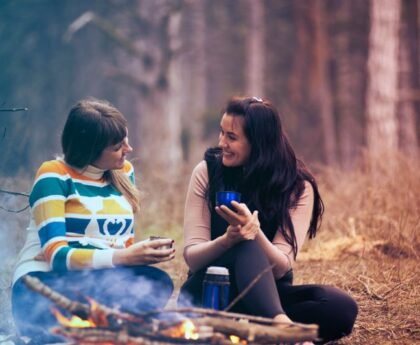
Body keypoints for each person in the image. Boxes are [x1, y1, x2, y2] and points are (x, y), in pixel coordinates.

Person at [179, 96, 358, 344]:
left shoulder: (297, 186)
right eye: (222, 133)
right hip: (211, 292)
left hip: (268, 294)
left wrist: (256, 233)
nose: (222, 143)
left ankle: (261, 330)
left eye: (232, 137)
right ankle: (282, 330)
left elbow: (281, 266)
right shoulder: (207, 172)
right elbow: (193, 258)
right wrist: (228, 240)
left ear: (259, 143)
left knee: (340, 307)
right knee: (243, 245)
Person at [12, 99, 175, 343]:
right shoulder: (54, 175)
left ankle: (99, 328)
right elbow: (57, 257)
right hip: (42, 286)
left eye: (126, 140)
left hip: (96, 281)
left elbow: (120, 244)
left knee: (156, 281)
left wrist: (135, 255)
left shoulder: (124, 172)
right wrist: (121, 257)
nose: (128, 149)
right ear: (90, 150)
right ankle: (94, 327)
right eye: (118, 146)